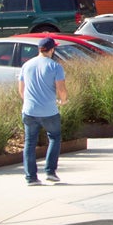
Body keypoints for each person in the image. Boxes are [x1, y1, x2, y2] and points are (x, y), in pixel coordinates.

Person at [18, 39, 68, 185]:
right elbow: (61, 89)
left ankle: (31, 177)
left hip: (29, 110)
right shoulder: (55, 67)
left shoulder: (26, 65)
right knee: (54, 137)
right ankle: (50, 171)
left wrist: (28, 102)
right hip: (49, 111)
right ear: (52, 50)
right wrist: (63, 101)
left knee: (30, 142)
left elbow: (21, 90)